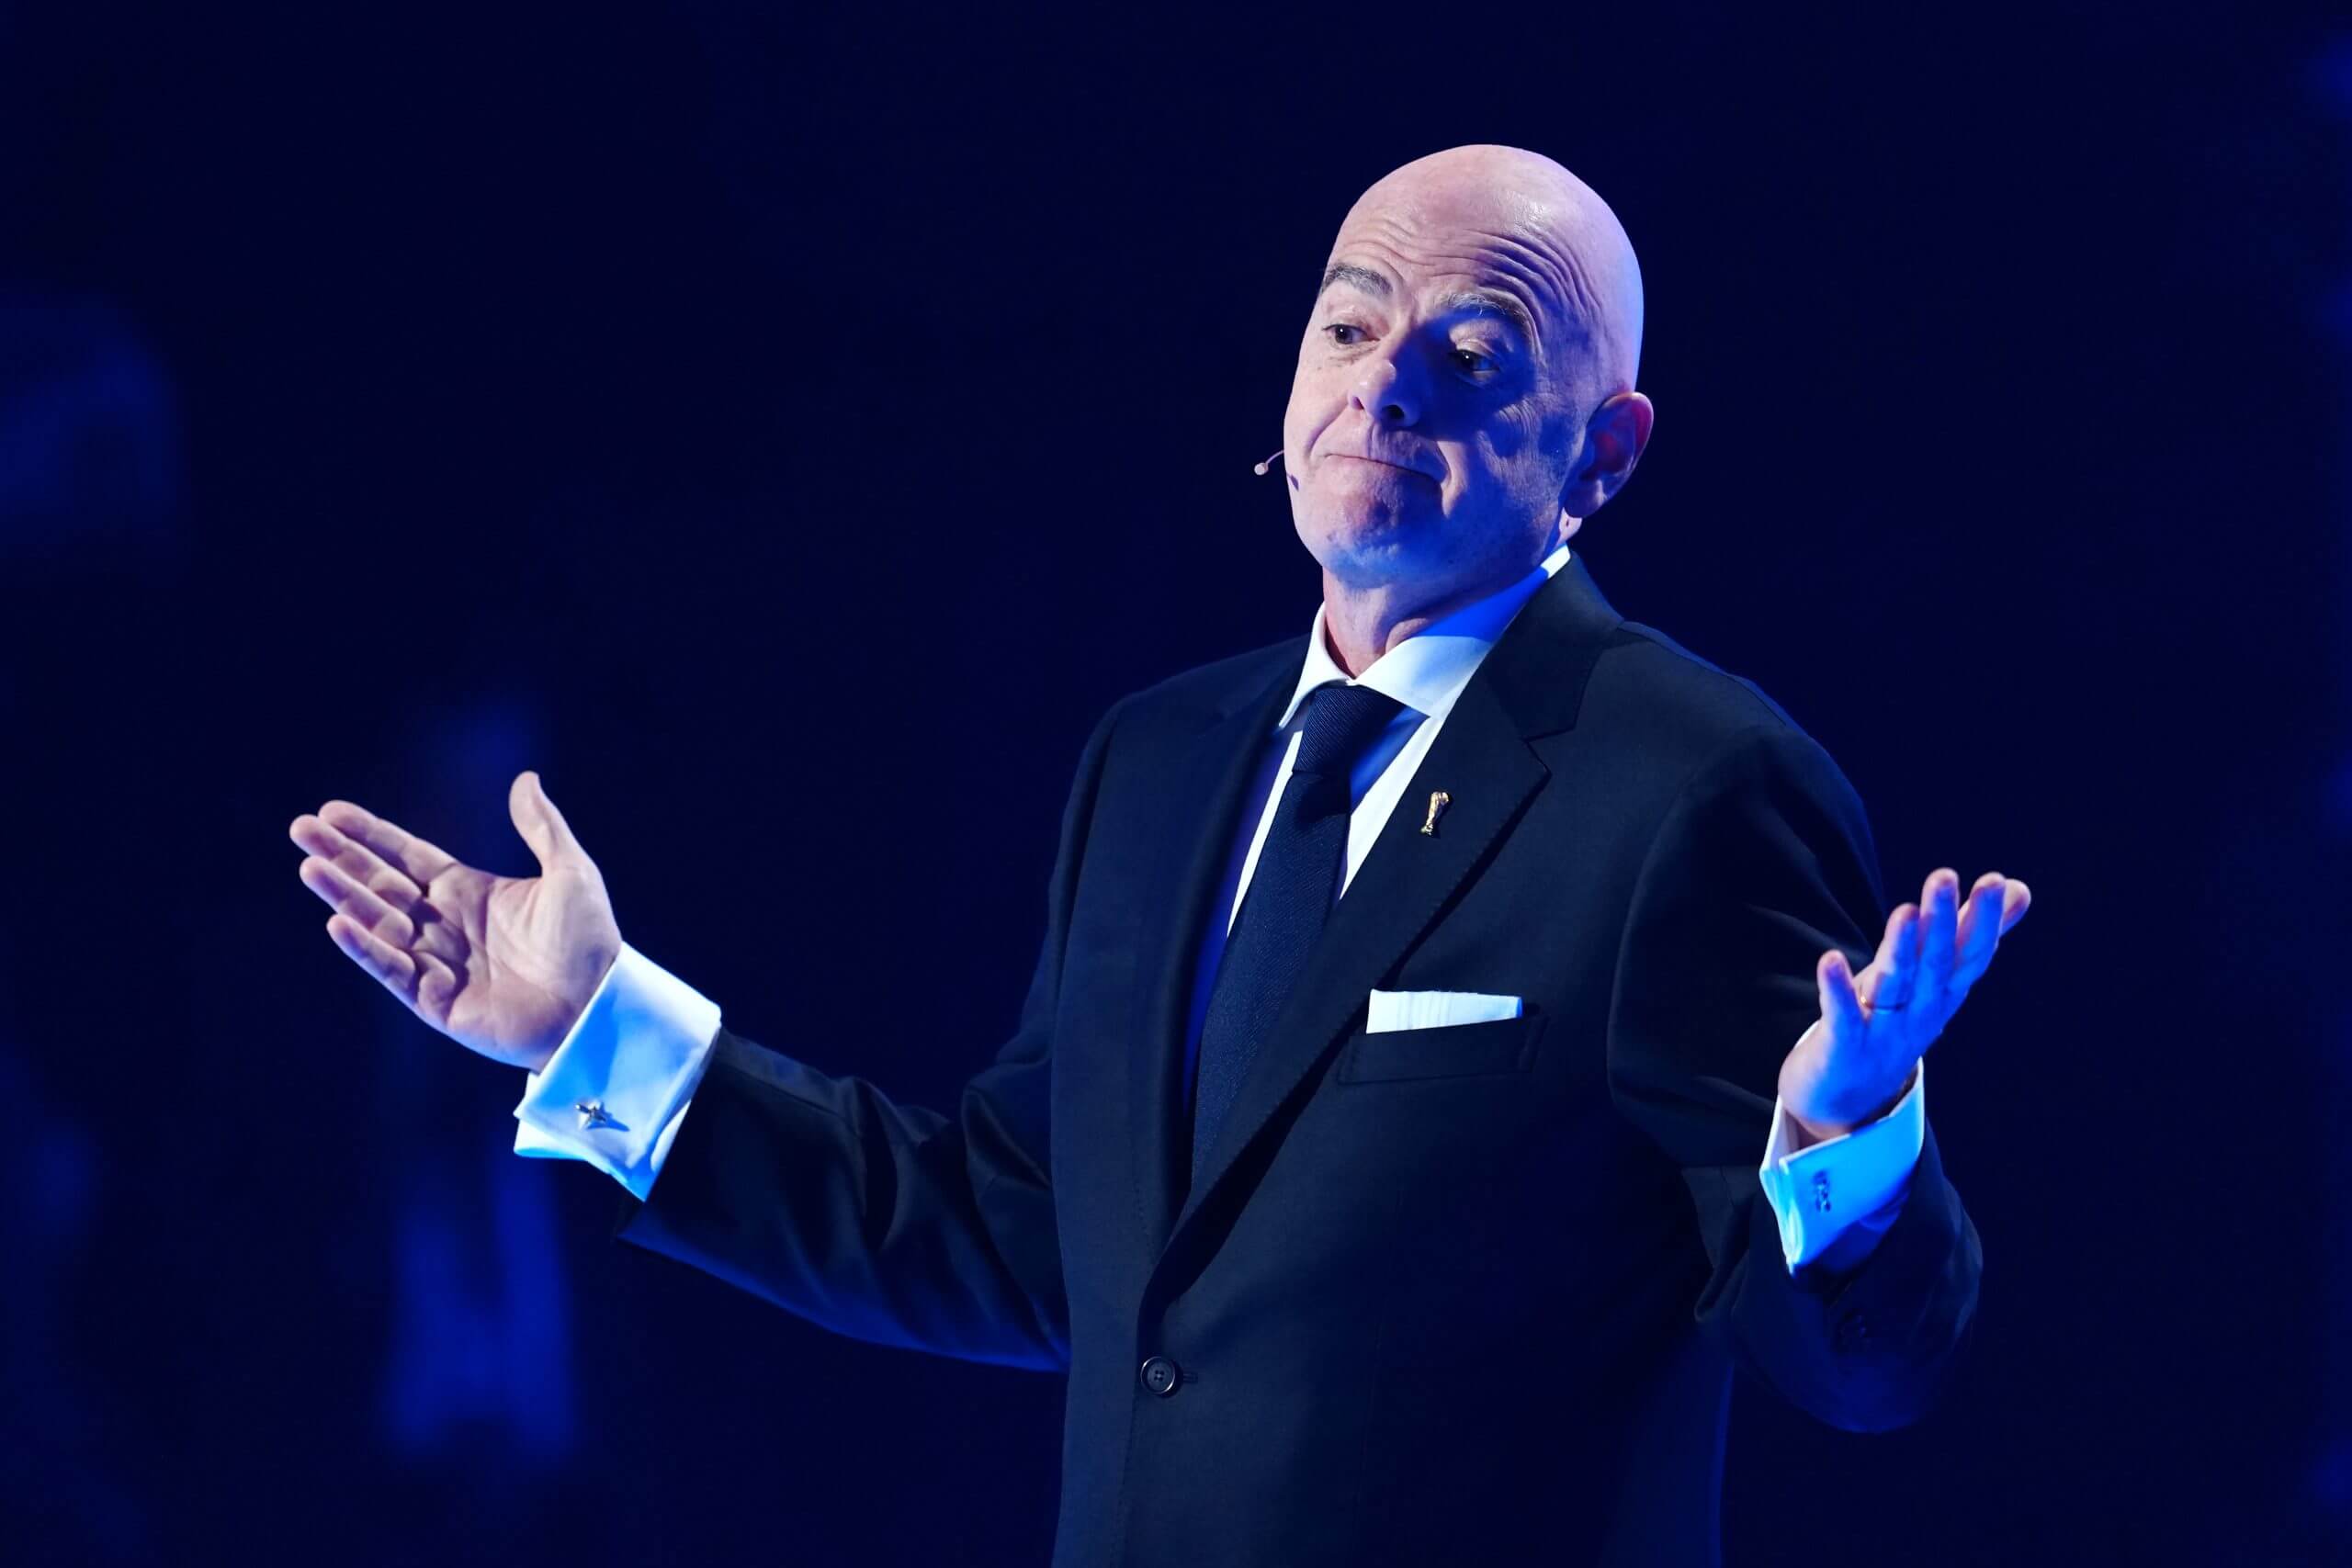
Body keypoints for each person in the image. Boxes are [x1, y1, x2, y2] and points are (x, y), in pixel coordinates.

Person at [289, 144, 2031, 1566]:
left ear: (1605, 453)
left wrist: (1846, 1138)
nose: (1383, 386)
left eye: (1472, 356)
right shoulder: (1160, 760)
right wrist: (599, 1034)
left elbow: (1865, 1373)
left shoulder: (1696, 786)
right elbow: (1026, 1235)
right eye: (1350, 326)